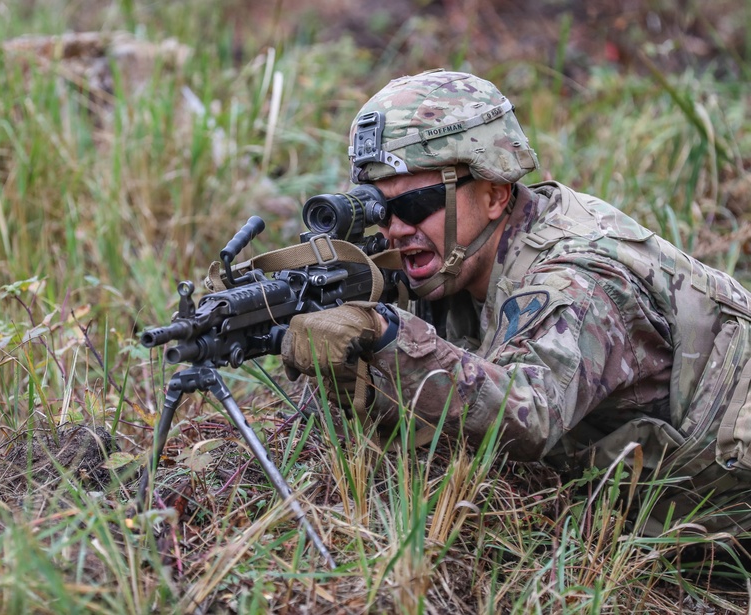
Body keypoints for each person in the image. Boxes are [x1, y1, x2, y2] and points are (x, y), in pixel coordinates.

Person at [280, 69, 751, 536]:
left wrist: (389, 338)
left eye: (417, 205)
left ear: (494, 193)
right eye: (379, 208)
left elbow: (529, 415)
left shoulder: (579, 278)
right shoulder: (452, 260)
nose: (396, 229)